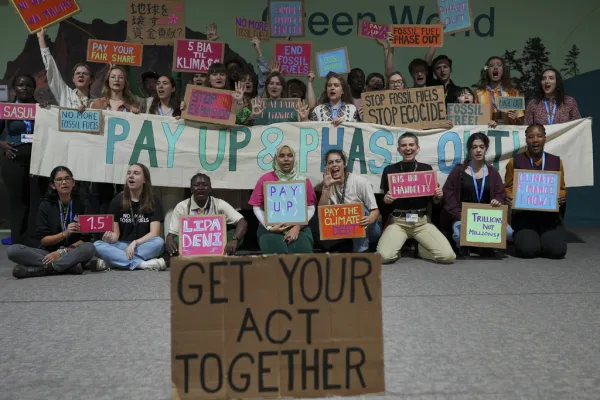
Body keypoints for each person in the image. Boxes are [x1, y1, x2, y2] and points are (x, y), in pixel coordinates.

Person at [377, 133, 455, 264]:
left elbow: (434, 202)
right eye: (403, 145)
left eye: (411, 145)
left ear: (417, 148)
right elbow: (383, 203)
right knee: (383, 257)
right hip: (398, 222)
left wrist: (438, 197)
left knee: (448, 257)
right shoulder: (389, 170)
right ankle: (397, 249)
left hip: (422, 222)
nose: (408, 148)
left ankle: (420, 249)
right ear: (398, 150)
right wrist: (386, 200)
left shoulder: (426, 169)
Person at [8, 166, 96, 279]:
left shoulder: (83, 203)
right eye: (59, 180)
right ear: (53, 185)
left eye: (67, 178)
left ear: (73, 182)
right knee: (13, 250)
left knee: (90, 248)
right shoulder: (45, 205)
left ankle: (44, 269)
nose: (64, 182)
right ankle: (67, 267)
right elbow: (45, 241)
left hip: (71, 251)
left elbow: (85, 239)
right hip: (48, 253)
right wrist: (65, 233)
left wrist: (61, 252)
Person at [504, 124, 567, 259]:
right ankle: (524, 237)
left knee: (558, 251)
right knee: (528, 251)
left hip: (548, 218)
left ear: (545, 138)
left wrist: (561, 197)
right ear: (526, 140)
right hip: (524, 217)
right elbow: (508, 187)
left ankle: (544, 238)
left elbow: (561, 188)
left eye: (539, 136)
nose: (535, 140)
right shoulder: (514, 161)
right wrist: (509, 196)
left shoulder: (556, 161)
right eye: (531, 137)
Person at [0, 74, 47, 247]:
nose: (25, 88)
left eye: (28, 85)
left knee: (37, 201)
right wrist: (3, 144)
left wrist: (46, 111)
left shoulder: (42, 108)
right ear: (14, 88)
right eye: (21, 85)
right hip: (14, 161)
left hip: (38, 161)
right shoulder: (6, 110)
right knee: (18, 203)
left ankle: (35, 242)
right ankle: (18, 243)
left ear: (34, 89)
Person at [442, 132, 507, 256]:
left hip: (486, 220)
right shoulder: (459, 171)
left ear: (486, 149)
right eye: (474, 147)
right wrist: (458, 214)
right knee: (458, 234)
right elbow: (448, 193)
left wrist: (498, 200)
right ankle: (469, 245)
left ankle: (481, 245)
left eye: (481, 147)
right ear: (470, 150)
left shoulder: (493, 172)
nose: (478, 150)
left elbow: (501, 193)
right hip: (463, 217)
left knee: (508, 233)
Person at [94, 163, 166, 271]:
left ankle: (115, 261)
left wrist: (135, 242)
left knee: (159, 242)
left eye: (136, 173)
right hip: (123, 245)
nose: (131, 176)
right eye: (129, 173)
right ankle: (142, 264)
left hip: (142, 245)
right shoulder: (117, 201)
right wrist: (109, 238)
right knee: (97, 244)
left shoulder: (154, 201)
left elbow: (154, 233)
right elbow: (116, 235)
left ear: (144, 179)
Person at [248, 145, 317, 254]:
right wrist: (269, 227)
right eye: (281, 156)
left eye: (290, 156)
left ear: (294, 158)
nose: (286, 159)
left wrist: (298, 226)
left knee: (301, 254)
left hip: (299, 227)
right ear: (276, 159)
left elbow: (310, 207)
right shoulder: (265, 179)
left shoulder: (303, 180)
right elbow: (257, 207)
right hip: (270, 228)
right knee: (276, 256)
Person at [165, 173, 249, 257]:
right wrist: (169, 239)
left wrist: (235, 239)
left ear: (210, 189)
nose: (201, 188)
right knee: (175, 241)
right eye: (196, 185)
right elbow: (172, 234)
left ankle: (217, 252)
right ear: (191, 189)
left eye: (205, 185)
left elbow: (242, 222)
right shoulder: (182, 206)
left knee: (235, 234)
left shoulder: (218, 204)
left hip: (214, 243)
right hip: (191, 244)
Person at [314, 150, 382, 252]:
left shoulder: (361, 182)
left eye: (338, 161)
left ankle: (360, 251)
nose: (334, 165)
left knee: (359, 209)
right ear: (327, 166)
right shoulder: (327, 183)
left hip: (370, 228)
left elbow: (375, 211)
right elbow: (321, 213)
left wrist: (370, 219)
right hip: (345, 230)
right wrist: (326, 188)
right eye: (330, 162)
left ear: (344, 164)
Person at [37, 27, 94, 108]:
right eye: (77, 73)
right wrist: (41, 39)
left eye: (85, 74)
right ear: (73, 79)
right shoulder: (65, 94)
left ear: (91, 80)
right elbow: (51, 68)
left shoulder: (96, 103)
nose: (81, 75)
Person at [475, 56, 523, 126]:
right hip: (485, 134)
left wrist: (515, 119)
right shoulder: (478, 93)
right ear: (487, 70)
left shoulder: (513, 93)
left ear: (503, 70)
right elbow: (474, 120)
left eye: (499, 65)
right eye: (491, 65)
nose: (495, 67)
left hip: (508, 134)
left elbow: (520, 122)